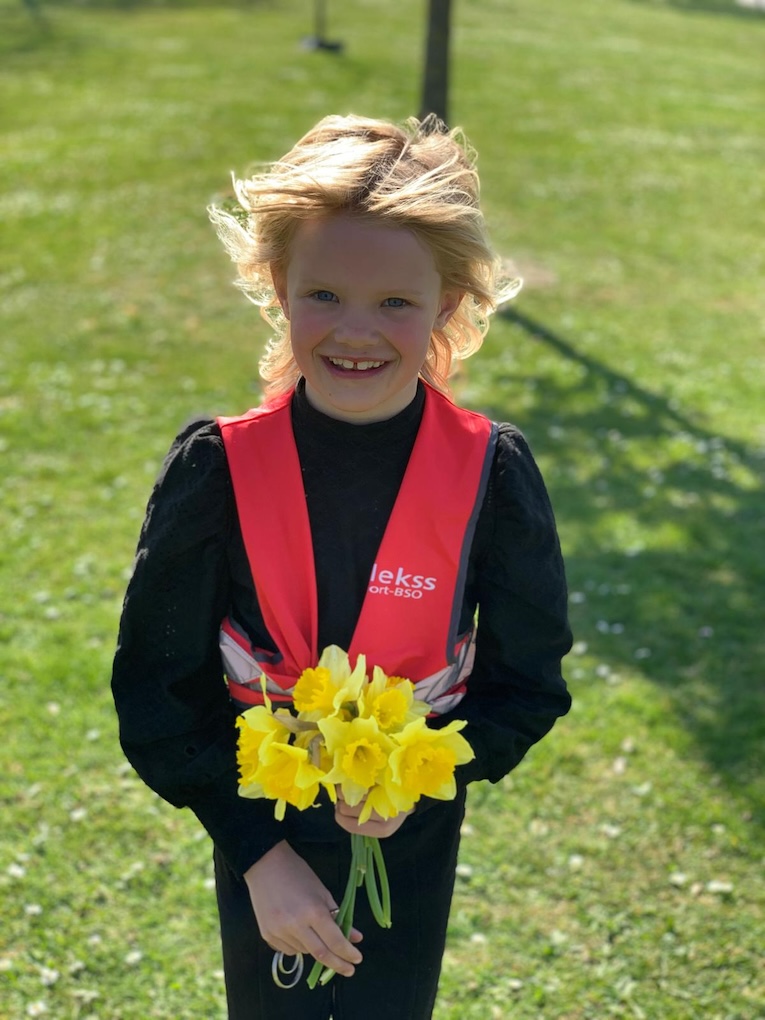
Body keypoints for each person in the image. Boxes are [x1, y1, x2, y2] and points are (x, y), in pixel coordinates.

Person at [111, 113, 572, 1020]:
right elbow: (157, 695)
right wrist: (258, 857)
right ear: (277, 288)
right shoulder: (218, 467)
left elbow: (527, 684)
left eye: (395, 303)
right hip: (260, 825)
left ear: (445, 305)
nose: (355, 331)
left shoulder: (491, 471)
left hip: (411, 824)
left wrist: (439, 771)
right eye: (322, 294)